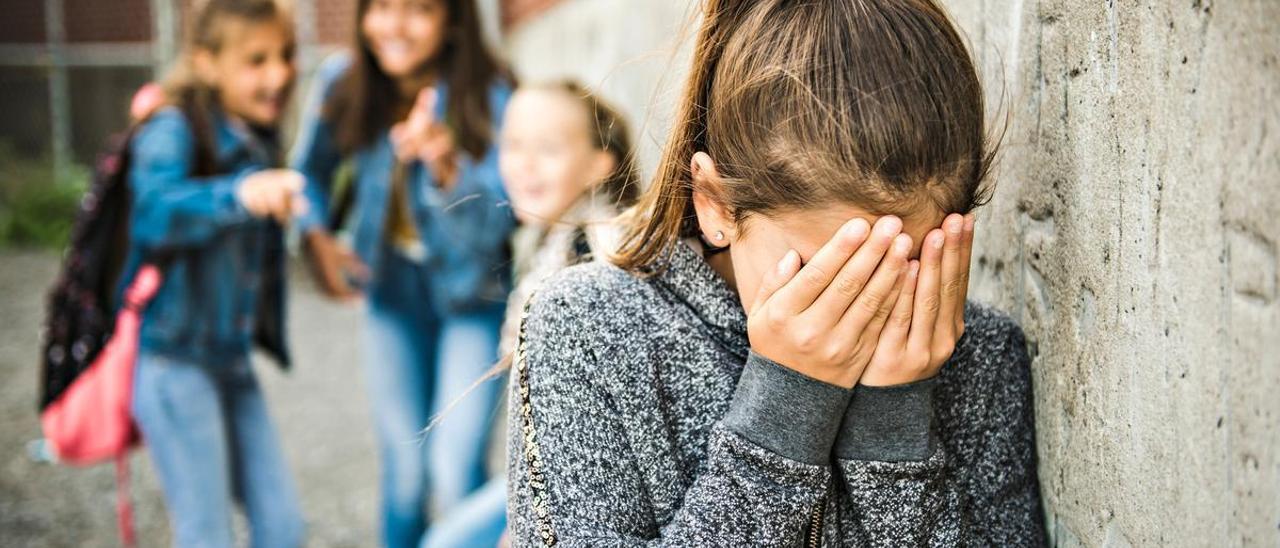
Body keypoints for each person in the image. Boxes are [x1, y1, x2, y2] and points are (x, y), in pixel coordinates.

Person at [506, 0, 1049, 545]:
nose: (859, 309)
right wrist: (782, 416)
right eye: (825, 275)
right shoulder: (588, 331)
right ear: (714, 203)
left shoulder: (980, 357)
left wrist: (895, 431)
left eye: (898, 267)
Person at [290, 0, 515, 545]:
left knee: (454, 468)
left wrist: (446, 166)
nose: (394, 25)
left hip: (473, 299)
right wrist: (316, 239)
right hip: (391, 297)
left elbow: (498, 227)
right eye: (381, 6)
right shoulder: (344, 82)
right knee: (406, 478)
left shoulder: (491, 93)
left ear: (453, 18)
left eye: (418, 9)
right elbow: (308, 176)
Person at [420, 81, 640, 548]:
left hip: (587, 488)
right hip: (548, 472)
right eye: (513, 144)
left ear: (600, 165)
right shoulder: (553, 240)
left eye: (549, 149)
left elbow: (595, 424)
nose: (524, 164)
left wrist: (525, 526)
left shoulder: (599, 255)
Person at [125, 0, 306, 545]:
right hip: (174, 364)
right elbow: (153, 212)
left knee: (282, 528)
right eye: (256, 60)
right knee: (206, 534)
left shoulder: (256, 131)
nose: (278, 74)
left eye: (286, 55)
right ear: (206, 62)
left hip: (230, 361)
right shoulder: (171, 127)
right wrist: (240, 193)